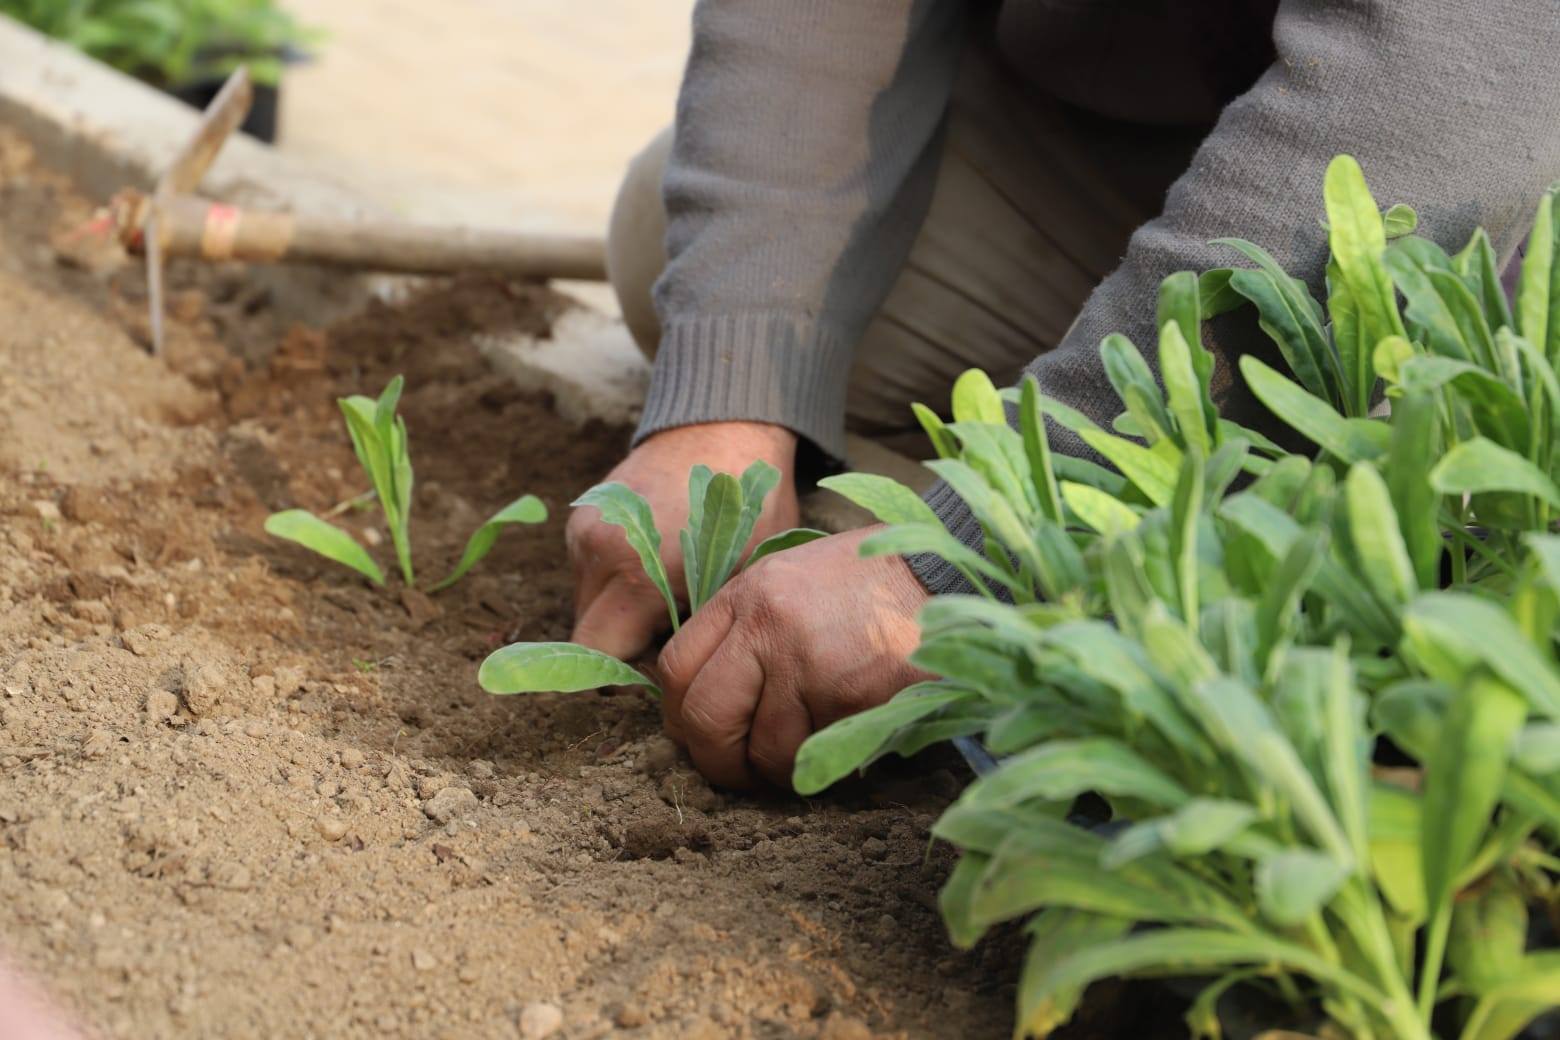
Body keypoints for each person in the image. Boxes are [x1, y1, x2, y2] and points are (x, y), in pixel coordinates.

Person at [569, 0, 1560, 791]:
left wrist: (974, 552)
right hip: (1144, 128)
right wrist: (732, 396)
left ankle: (1109, 547)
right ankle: (1109, 515)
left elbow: (1447, 106)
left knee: (1450, 552)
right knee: (682, 237)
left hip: (1480, 190)